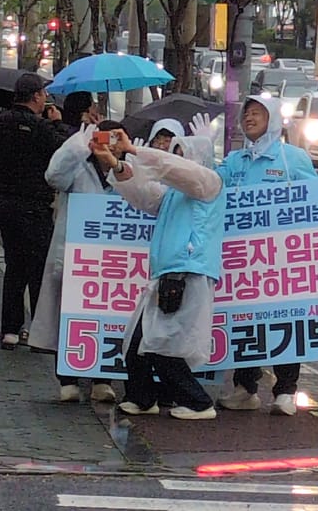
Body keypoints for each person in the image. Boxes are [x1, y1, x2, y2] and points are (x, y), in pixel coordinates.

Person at [216, 96, 318, 416]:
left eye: (256, 114)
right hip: (244, 259)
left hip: (282, 259)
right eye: (246, 114)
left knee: (285, 320)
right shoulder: (235, 161)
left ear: (274, 119)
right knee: (245, 322)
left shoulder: (292, 158)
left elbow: (314, 197)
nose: (248, 119)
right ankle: (244, 387)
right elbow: (213, 187)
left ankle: (285, 390)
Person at [97, 128, 226, 421]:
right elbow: (143, 194)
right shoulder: (173, 195)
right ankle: (141, 398)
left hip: (187, 273)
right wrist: (117, 165)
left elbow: (175, 170)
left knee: (161, 344)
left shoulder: (210, 183)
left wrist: (134, 151)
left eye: (182, 153)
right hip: (167, 274)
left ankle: (197, 402)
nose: (176, 159)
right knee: (138, 340)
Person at [29, 120, 127, 403]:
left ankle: (101, 379)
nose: (108, 144)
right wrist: (77, 147)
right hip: (77, 256)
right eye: (104, 137)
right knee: (70, 316)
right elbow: (53, 177)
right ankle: (68, 379)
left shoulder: (126, 171)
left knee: (107, 319)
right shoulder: (79, 166)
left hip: (112, 260)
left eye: (115, 138)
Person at [0, 73, 69, 350]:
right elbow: (62, 152)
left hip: (5, 202)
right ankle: (39, 331)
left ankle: (10, 329)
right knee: (38, 270)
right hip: (34, 205)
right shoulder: (41, 126)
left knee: (14, 267)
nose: (46, 98)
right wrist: (58, 123)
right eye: (44, 93)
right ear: (35, 97)